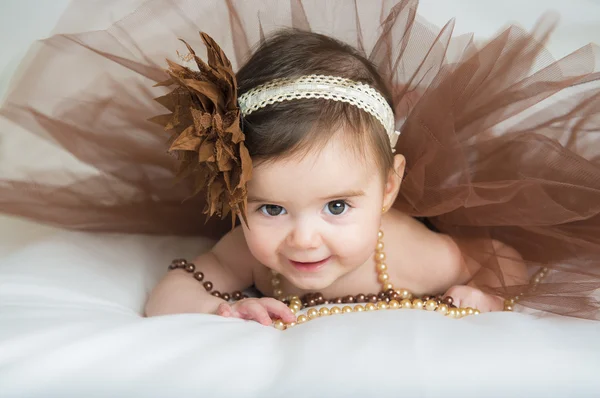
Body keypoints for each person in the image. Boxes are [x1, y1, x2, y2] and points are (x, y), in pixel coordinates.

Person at [1, 0, 599, 325]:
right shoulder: (248, 252)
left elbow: (501, 258)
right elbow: (168, 296)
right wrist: (220, 306)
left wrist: (486, 296)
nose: (303, 238)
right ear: (238, 192)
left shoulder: (410, 253)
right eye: (272, 207)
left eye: (338, 206)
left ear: (389, 188)